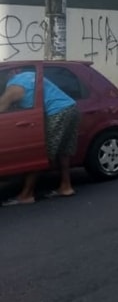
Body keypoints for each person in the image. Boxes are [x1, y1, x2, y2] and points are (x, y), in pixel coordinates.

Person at [0, 69, 80, 206]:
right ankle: (66, 186)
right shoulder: (28, 75)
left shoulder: (12, 88)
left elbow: (1, 108)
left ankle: (26, 195)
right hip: (71, 107)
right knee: (64, 151)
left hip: (57, 112)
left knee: (40, 154)